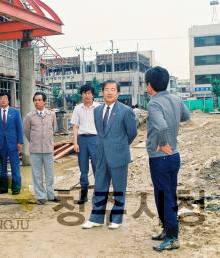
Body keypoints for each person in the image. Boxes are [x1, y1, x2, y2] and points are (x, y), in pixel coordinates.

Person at [145, 66, 190, 252]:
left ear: (149, 85)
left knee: (164, 196)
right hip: (174, 156)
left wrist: (163, 142)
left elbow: (161, 127)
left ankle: (172, 237)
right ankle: (167, 229)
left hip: (161, 157)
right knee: (166, 194)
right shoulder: (176, 99)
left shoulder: (154, 103)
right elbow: (186, 116)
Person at [82, 80, 137, 230]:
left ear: (118, 93)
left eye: (113, 89)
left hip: (119, 155)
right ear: (102, 92)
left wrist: (119, 145)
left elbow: (132, 133)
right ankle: (96, 218)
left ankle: (116, 219)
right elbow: (101, 133)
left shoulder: (125, 110)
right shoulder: (97, 110)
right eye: (107, 89)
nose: (109, 92)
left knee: (119, 188)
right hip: (101, 155)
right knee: (100, 186)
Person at [23, 92, 59, 205]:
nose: (37, 102)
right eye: (35, 100)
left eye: (39, 100)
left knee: (50, 174)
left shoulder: (51, 115)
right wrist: (34, 141)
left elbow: (54, 129)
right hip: (35, 150)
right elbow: (26, 131)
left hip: (48, 149)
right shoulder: (29, 116)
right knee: (37, 174)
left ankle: (51, 195)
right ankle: (41, 196)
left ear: (44, 101)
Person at [0, 92, 23, 195]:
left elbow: (19, 128)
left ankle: (16, 188)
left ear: (8, 100)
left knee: (15, 166)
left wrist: (20, 142)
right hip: (0, 144)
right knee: (1, 167)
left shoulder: (15, 112)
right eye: (1, 98)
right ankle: (3, 188)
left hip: (13, 144)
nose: (3, 100)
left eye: (5, 98)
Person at [71, 84, 100, 204]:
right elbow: (75, 127)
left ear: (92, 94)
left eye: (89, 93)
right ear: (81, 94)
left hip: (95, 140)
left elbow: (103, 126)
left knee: (97, 168)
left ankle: (98, 195)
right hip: (82, 140)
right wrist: (75, 142)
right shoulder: (78, 108)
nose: (87, 95)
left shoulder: (99, 107)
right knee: (83, 169)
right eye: (84, 93)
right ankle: (84, 195)